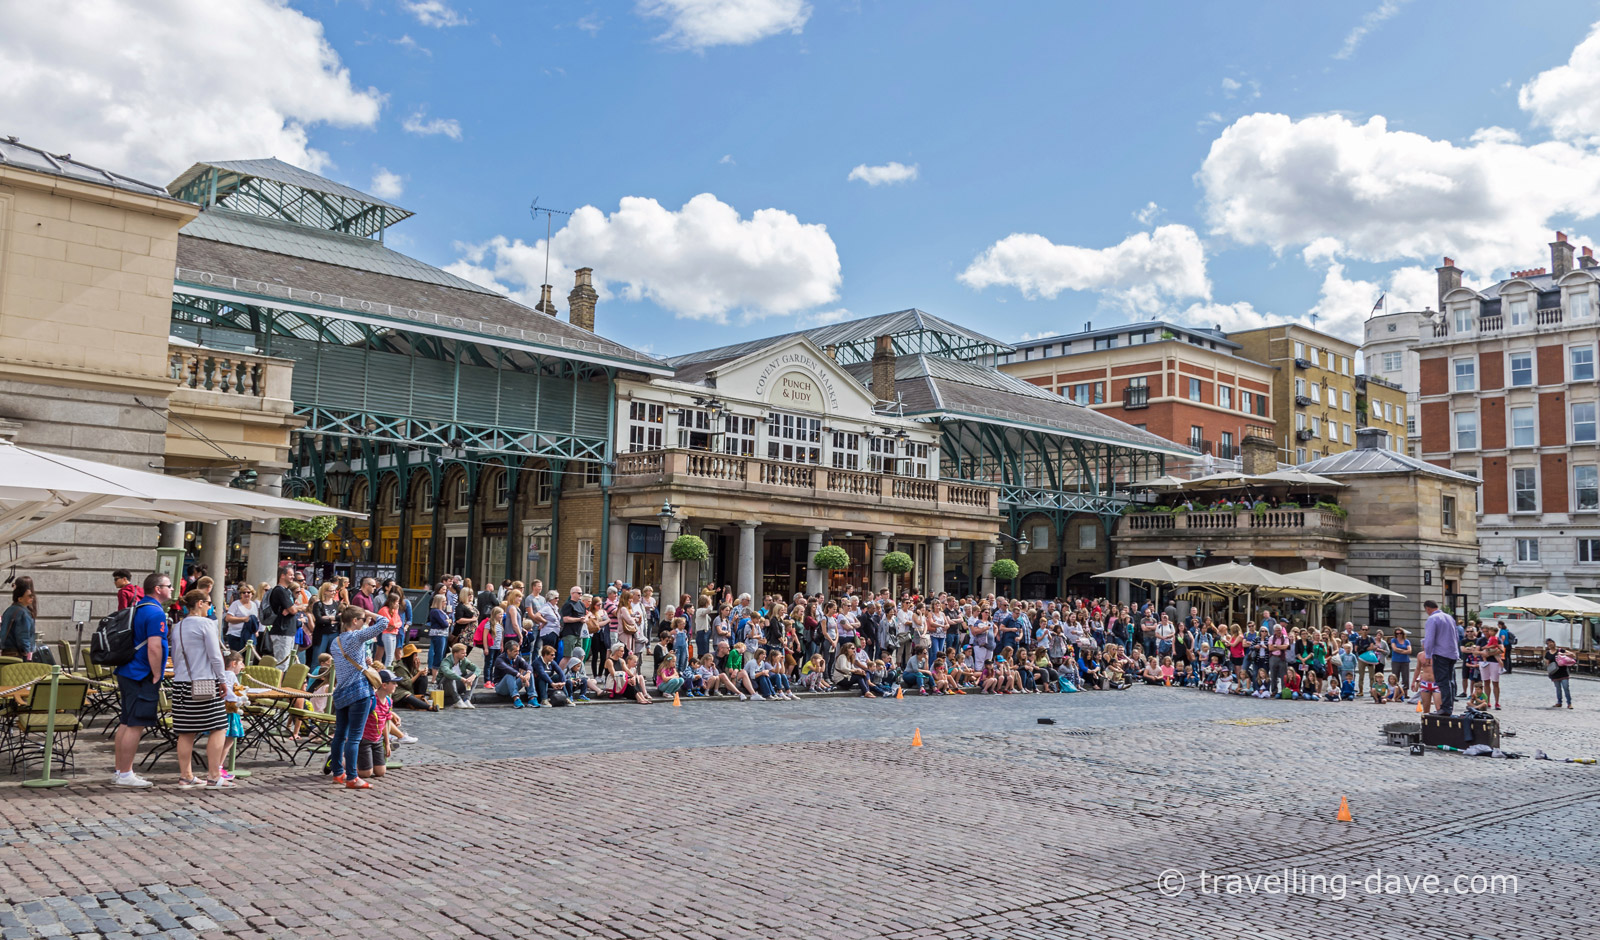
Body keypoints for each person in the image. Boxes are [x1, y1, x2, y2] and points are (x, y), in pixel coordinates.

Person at [113, 573, 172, 788]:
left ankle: (120, 770)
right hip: (142, 673)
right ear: (158, 589)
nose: (172, 589)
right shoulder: (156, 613)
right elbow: (155, 647)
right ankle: (126, 772)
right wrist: (157, 673)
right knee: (135, 724)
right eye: (169, 586)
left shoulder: (138, 607)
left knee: (126, 721)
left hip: (128, 670)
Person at [169, 588, 230, 790]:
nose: (211, 607)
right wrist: (223, 680)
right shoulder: (206, 624)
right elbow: (215, 655)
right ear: (200, 603)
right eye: (209, 603)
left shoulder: (177, 626)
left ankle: (186, 775)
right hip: (204, 682)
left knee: (186, 731)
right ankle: (213, 775)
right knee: (219, 726)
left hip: (181, 683)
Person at [327, 604, 389, 789]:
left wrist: (364, 661)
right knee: (354, 737)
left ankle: (338, 773)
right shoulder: (356, 636)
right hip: (359, 691)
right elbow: (385, 622)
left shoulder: (335, 641)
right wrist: (370, 613)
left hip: (342, 692)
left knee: (340, 735)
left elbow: (348, 662)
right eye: (362, 620)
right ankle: (352, 777)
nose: (366, 623)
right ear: (355, 621)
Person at [1419, 600, 1459, 718]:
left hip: (1441, 653)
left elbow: (1430, 638)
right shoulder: (1449, 617)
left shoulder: (1433, 619)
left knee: (1442, 681)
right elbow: (1456, 636)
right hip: (1452, 653)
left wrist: (1427, 655)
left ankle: (1445, 708)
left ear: (1427, 608)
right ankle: (1449, 706)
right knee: (1450, 681)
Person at [358, 670, 400, 780]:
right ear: (384, 685)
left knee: (380, 772)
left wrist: (386, 743)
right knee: (366, 773)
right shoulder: (371, 700)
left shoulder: (388, 701)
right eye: (394, 683)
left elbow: (385, 724)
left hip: (377, 740)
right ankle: (341, 761)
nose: (396, 685)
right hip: (365, 739)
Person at [265, 565, 301, 671]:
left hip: (289, 631)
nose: (292, 577)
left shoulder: (287, 591)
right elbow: (293, 610)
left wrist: (294, 608)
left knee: (289, 663)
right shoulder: (279, 591)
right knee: (282, 664)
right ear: (282, 576)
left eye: (293, 575)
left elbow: (292, 609)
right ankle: (278, 687)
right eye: (290, 575)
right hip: (281, 631)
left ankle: (284, 687)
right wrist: (297, 608)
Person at [493, 638, 536, 707]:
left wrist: (528, 673)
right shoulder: (500, 660)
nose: (518, 653)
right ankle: (516, 699)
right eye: (515, 651)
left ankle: (532, 698)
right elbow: (508, 669)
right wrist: (520, 676)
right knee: (509, 674)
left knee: (529, 673)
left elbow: (528, 666)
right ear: (508, 651)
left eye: (518, 651)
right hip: (501, 687)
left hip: (513, 684)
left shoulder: (517, 658)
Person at [0, 582, 37, 660]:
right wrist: (27, 653)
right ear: (20, 599)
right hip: (17, 654)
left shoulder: (9, 610)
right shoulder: (23, 613)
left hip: (6, 652)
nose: (32, 598)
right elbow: (23, 635)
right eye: (29, 596)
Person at [437, 643, 479, 708]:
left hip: (458, 686)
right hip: (444, 688)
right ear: (455, 653)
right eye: (463, 653)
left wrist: (473, 677)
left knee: (473, 675)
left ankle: (466, 699)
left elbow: (477, 669)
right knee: (450, 676)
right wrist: (462, 679)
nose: (465, 655)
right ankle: (457, 701)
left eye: (465, 653)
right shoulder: (446, 661)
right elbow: (448, 673)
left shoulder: (464, 660)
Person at [1544, 639, 1574, 709]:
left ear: (1554, 643)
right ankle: (1559, 702)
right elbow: (1548, 664)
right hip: (1555, 673)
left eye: (1551, 642)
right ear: (1547, 645)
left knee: (1566, 688)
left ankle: (1569, 703)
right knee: (1558, 688)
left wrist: (1563, 654)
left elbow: (1572, 655)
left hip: (1564, 673)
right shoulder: (1548, 653)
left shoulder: (1561, 650)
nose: (1550, 644)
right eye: (1548, 643)